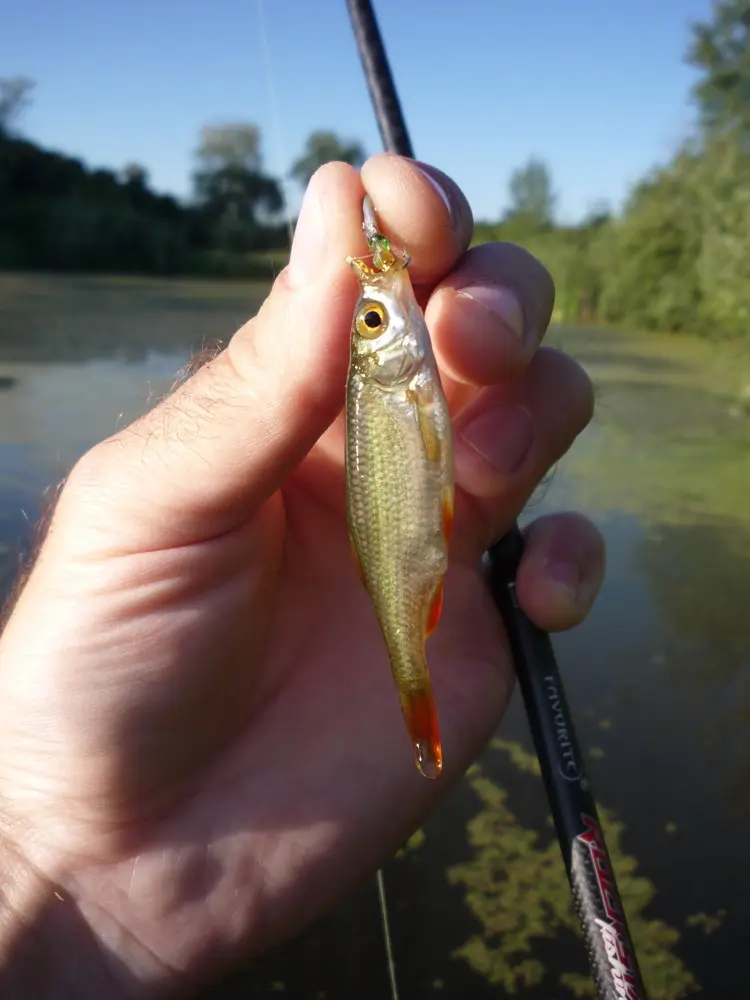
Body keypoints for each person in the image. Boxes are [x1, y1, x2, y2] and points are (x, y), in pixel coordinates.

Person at [0, 155, 603, 997]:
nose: (378, 321)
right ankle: (409, 673)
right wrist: (34, 845)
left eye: (371, 323)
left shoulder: (396, 365)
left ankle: (410, 669)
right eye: (369, 323)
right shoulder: (389, 364)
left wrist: (43, 859)